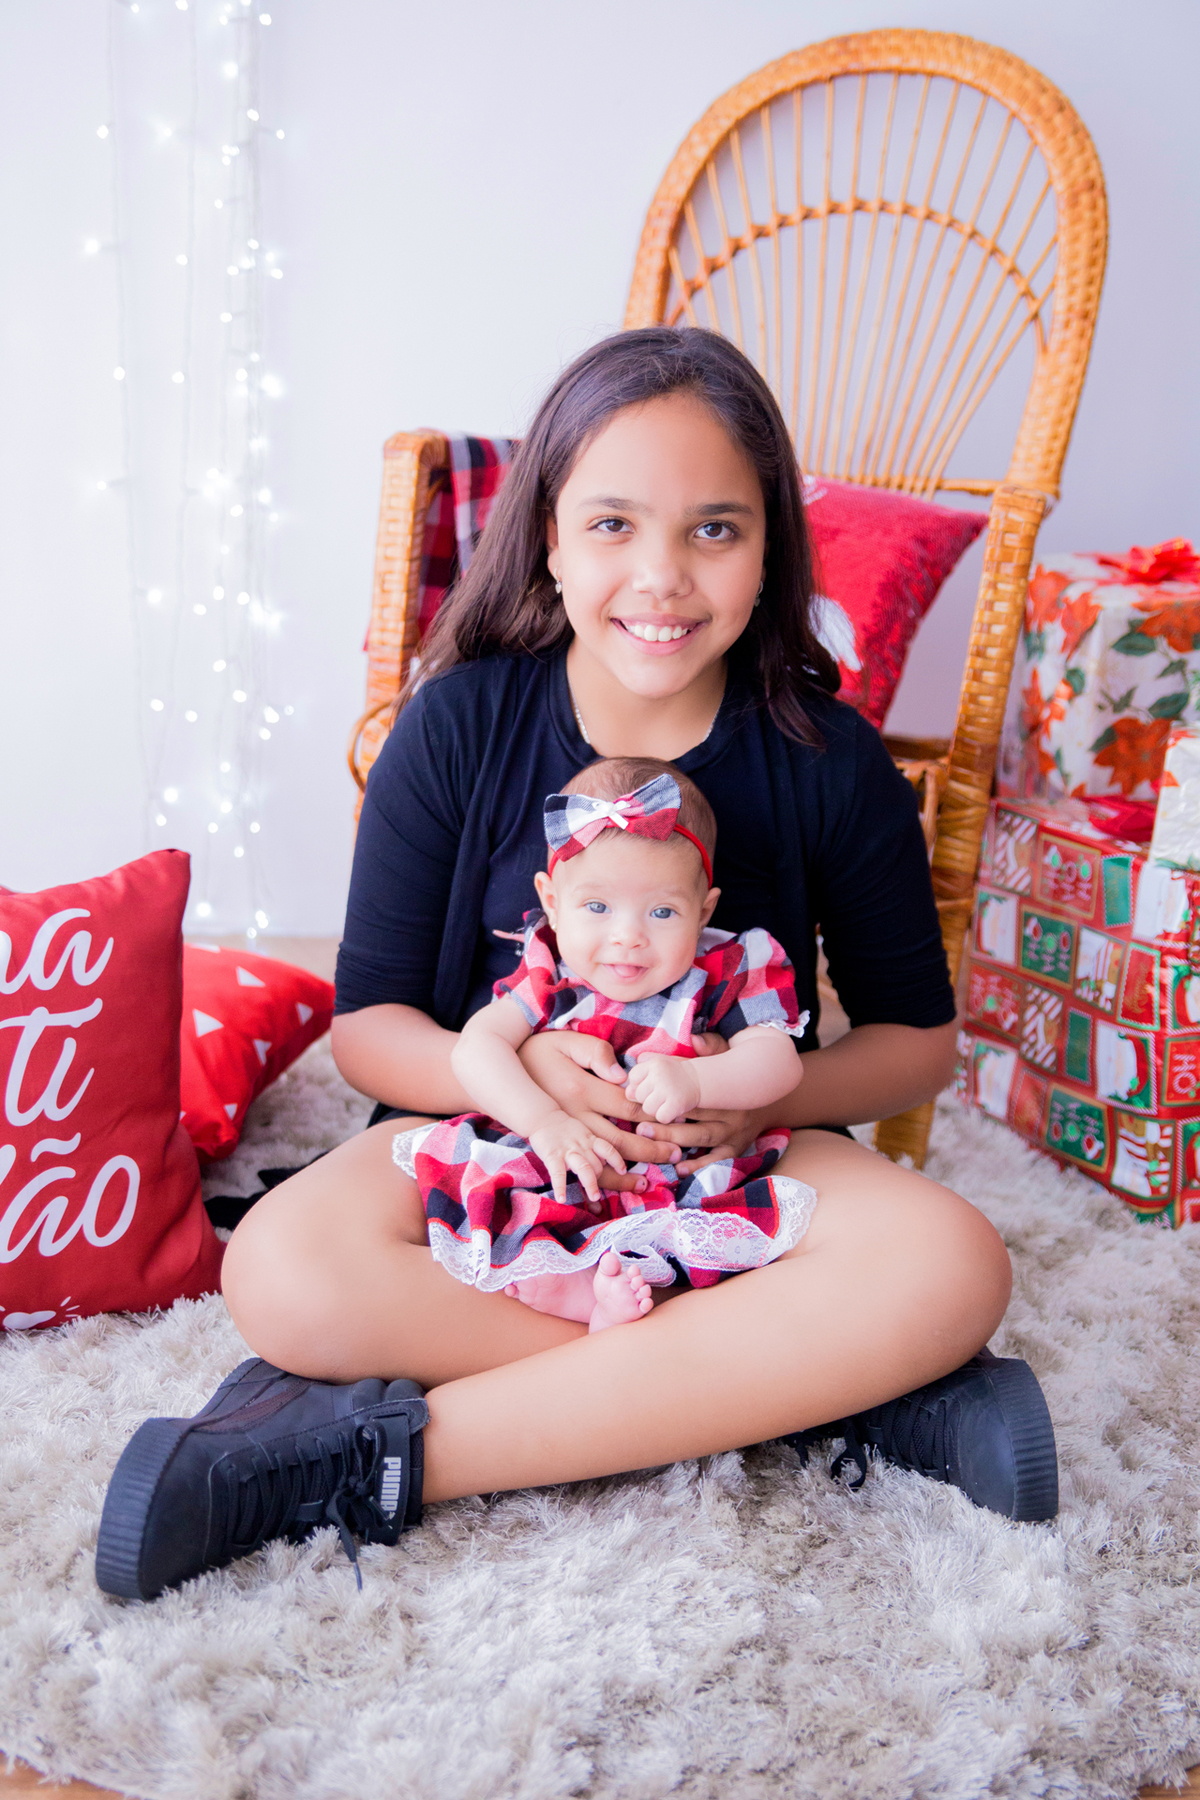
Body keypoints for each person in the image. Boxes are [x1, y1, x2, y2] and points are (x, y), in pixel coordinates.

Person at [95, 326, 1057, 1603]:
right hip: (493, 1150)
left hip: (727, 1158)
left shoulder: (826, 758)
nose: (660, 576)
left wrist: (744, 1093)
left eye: (715, 529)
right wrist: (516, 1078)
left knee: (953, 1266)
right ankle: (827, 1395)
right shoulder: (455, 725)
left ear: (770, 550)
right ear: (547, 537)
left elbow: (914, 1046)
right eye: (613, 524)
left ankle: (362, 1461)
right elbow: (371, 1026)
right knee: (280, 1269)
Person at [406, 756, 817, 1335]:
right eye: (597, 907)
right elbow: (476, 1049)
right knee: (507, 1193)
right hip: (568, 1160)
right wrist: (543, 1119)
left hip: (680, 1173)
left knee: (742, 1256)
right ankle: (579, 1298)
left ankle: (640, 1307)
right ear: (551, 901)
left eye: (662, 911)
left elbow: (777, 1061)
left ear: (704, 912)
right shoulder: (550, 968)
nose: (628, 936)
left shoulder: (728, 966)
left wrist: (702, 1081)